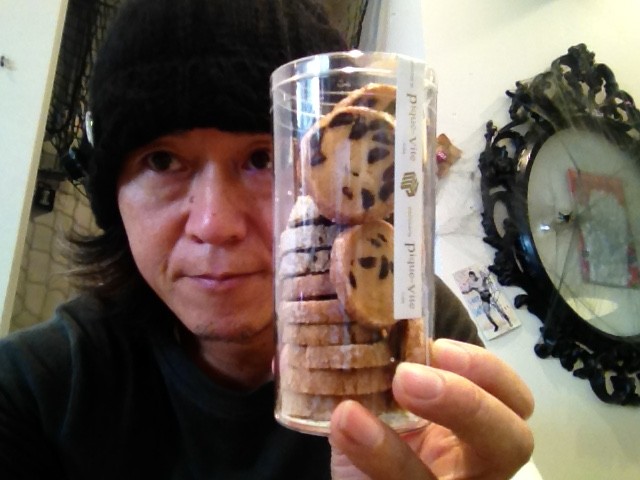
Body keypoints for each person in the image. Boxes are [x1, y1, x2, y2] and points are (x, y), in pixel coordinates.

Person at [0, 0, 534, 479]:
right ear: (112, 194)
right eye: (162, 161)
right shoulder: (34, 391)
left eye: (263, 158)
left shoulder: (413, 329)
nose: (214, 224)